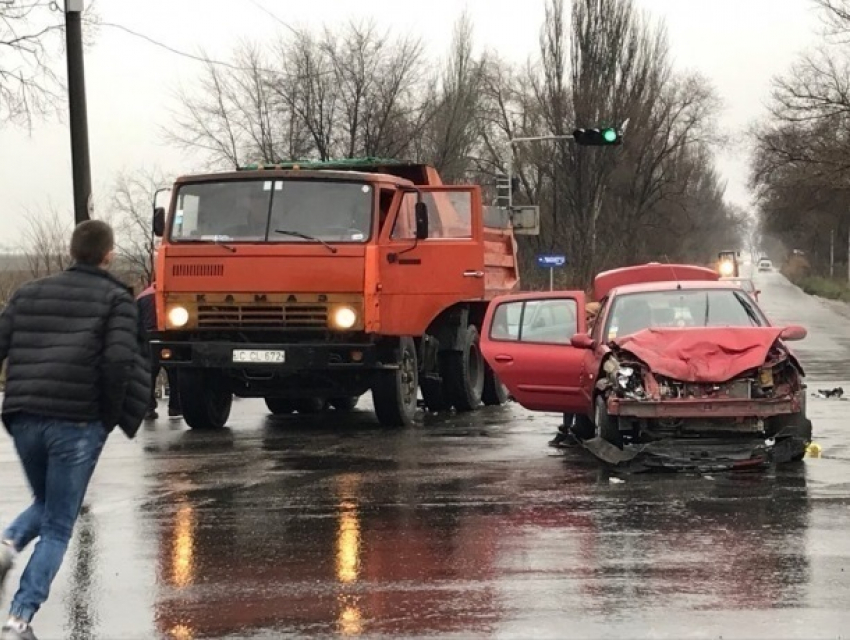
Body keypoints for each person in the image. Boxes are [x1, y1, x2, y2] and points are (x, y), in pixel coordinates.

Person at [0, 220, 150, 640]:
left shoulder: (27, 293)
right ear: (108, 254)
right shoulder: (116, 299)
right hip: (76, 421)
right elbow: (120, 361)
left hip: (23, 416)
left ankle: (7, 545)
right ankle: (18, 618)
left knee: (48, 501)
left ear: (71, 251)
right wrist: (108, 414)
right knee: (59, 525)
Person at [549, 301, 602, 448]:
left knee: (581, 400)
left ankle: (577, 431)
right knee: (570, 399)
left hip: (592, 369)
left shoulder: (600, 331)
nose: (585, 321)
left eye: (588, 317)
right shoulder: (583, 331)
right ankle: (567, 429)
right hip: (579, 367)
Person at [136, 282, 182, 420]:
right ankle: (175, 407)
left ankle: (148, 409)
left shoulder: (142, 297)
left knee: (149, 376)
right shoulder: (172, 295)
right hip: (169, 339)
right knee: (174, 375)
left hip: (148, 339)